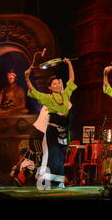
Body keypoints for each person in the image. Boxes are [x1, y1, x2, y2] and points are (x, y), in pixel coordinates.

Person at [25, 58, 76, 189]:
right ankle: (42, 181)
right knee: (51, 157)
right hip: (52, 132)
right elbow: (34, 92)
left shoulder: (66, 95)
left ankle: (60, 182)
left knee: (60, 158)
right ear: (49, 87)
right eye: (54, 84)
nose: (58, 85)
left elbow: (71, 79)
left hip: (63, 133)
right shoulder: (47, 98)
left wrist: (69, 63)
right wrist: (27, 78)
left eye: (59, 83)